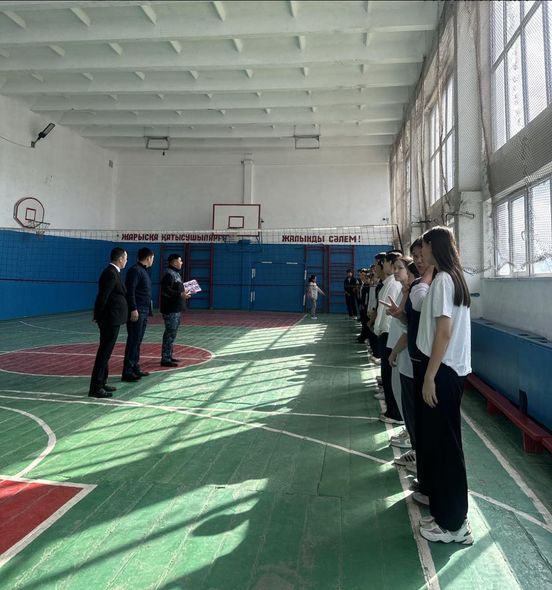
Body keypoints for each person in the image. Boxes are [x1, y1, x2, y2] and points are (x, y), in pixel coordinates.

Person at [415, 226, 473, 545]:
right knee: (442, 444)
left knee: (446, 447)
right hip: (450, 371)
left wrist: (429, 376)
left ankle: (453, 525)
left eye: (423, 247)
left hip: (443, 371)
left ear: (433, 246)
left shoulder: (443, 281)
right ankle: (445, 514)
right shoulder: (453, 278)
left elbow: (444, 333)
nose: (421, 253)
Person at [89, 247, 128, 398]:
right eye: (125, 258)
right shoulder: (110, 273)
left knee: (106, 352)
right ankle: (96, 387)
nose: (126, 261)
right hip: (109, 319)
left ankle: (102, 382)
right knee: (104, 353)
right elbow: (103, 296)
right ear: (120, 259)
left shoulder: (114, 273)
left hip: (112, 318)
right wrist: (98, 315)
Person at [374, 250, 403, 424]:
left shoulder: (394, 284)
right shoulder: (388, 284)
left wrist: (381, 329)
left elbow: (389, 316)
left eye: (384, 262)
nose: (381, 265)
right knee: (387, 373)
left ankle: (395, 413)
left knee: (391, 374)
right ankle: (392, 408)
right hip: (385, 333)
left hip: (389, 334)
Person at [122, 247, 155, 382]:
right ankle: (127, 371)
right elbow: (130, 291)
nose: (153, 261)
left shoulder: (144, 271)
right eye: (152, 258)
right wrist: (133, 308)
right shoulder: (135, 271)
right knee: (133, 340)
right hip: (137, 311)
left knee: (138, 341)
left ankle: (135, 366)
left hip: (144, 311)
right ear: (148, 258)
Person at [160, 253, 191, 366]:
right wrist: (180, 294)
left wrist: (184, 292)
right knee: (170, 333)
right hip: (170, 309)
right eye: (179, 260)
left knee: (172, 333)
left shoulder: (176, 274)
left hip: (176, 308)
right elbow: (165, 290)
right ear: (173, 262)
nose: (181, 262)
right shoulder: (169, 274)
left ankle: (169, 355)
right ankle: (165, 359)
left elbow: (176, 290)